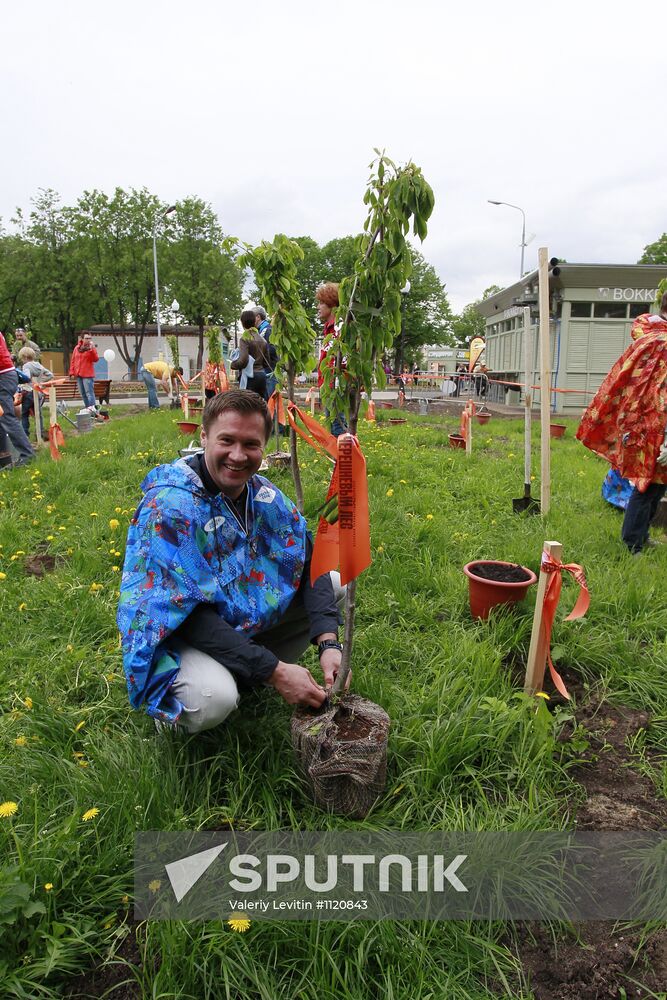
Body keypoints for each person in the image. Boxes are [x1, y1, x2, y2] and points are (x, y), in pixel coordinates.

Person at [117, 389, 346, 731]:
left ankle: (245, 669)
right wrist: (276, 670)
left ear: (264, 447)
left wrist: (329, 642)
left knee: (335, 583)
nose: (238, 456)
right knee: (214, 699)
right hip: (176, 632)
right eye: (227, 440)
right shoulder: (170, 508)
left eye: (251, 444)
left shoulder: (264, 496)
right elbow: (188, 616)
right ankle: (174, 711)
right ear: (204, 437)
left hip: (229, 616)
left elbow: (310, 560)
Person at [576, 291, 667, 555]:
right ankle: (633, 544)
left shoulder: (650, 336)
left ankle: (642, 535)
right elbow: (660, 395)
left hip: (644, 423)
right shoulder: (661, 342)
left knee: (656, 484)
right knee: (647, 485)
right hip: (654, 427)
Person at [316, 282, 348, 437]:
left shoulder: (339, 328)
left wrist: (334, 383)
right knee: (334, 424)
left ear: (332, 304)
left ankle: (343, 460)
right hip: (328, 386)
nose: (318, 307)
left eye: (322, 303)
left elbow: (343, 358)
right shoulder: (329, 328)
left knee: (338, 426)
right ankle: (339, 459)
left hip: (335, 386)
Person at [0, 331, 35, 467]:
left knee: (7, 417)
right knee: (2, 417)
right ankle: (4, 454)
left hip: (3, 376)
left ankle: (27, 455)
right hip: (7, 374)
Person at [230, 311, 271, 400]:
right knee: (261, 406)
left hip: (250, 377)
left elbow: (243, 361)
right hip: (261, 376)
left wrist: (233, 365)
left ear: (243, 323)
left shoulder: (245, 338)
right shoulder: (262, 340)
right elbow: (267, 362)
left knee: (248, 407)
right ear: (254, 321)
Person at [17, 347, 53, 438]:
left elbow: (27, 377)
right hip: (38, 393)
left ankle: (25, 435)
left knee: (24, 414)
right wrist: (40, 384)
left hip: (29, 392)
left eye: (21, 358)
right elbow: (50, 375)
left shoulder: (26, 366)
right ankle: (40, 433)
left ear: (24, 357)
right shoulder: (38, 365)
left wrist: (20, 380)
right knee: (38, 413)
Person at [69, 333, 99, 410]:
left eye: (90, 338)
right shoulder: (77, 348)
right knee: (83, 394)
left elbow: (95, 359)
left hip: (87, 375)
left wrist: (91, 350)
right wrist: (72, 372)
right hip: (78, 374)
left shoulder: (91, 348)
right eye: (86, 338)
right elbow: (73, 361)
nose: (88, 340)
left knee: (89, 393)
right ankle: (88, 409)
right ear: (82, 339)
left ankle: (93, 411)